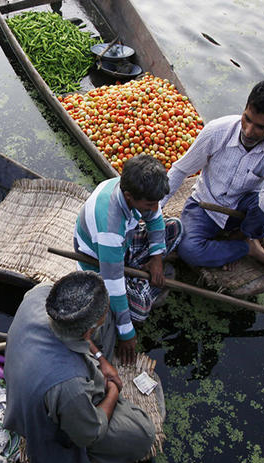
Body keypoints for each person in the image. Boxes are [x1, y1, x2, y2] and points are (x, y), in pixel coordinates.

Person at [3, 271, 156, 463]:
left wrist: (101, 359)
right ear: (87, 332)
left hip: (48, 367)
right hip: (51, 407)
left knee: (109, 320)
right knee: (143, 434)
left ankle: (98, 356)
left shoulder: (39, 294)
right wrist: (113, 389)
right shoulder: (70, 387)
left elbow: (79, 333)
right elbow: (89, 433)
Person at [161, 79, 264, 272]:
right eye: (247, 119)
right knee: (189, 250)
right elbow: (180, 170)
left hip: (245, 210)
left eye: (260, 127)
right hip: (206, 204)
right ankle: (246, 247)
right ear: (244, 109)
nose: (248, 131)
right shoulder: (217, 131)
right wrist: (154, 209)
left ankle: (246, 234)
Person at [73, 154, 182, 364]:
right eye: (149, 204)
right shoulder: (110, 229)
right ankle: (140, 284)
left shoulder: (136, 192)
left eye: (155, 202)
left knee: (175, 227)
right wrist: (126, 334)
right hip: (100, 265)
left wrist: (157, 257)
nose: (153, 207)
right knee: (140, 311)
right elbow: (112, 284)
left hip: (125, 245)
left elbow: (156, 217)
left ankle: (141, 276)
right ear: (129, 196)